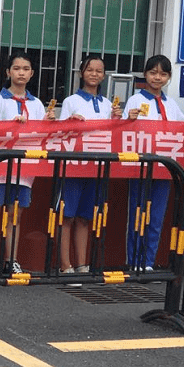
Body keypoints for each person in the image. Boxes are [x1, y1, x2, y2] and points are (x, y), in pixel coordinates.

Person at [0, 51, 52, 275]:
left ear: (31, 74)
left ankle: (11, 260)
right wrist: (11, 126)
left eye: (26, 69)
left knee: (15, 215)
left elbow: (43, 136)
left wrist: (48, 123)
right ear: (8, 72)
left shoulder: (38, 104)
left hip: (25, 169)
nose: (21, 73)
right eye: (17, 68)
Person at [58, 54, 123, 282]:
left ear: (104, 75)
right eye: (89, 70)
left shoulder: (108, 104)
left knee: (86, 217)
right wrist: (70, 123)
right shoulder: (71, 101)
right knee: (67, 215)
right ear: (81, 73)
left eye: (99, 71)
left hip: (97, 167)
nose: (94, 74)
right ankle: (65, 265)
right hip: (74, 166)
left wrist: (118, 120)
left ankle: (82, 264)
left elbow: (113, 135)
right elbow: (61, 133)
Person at [123, 55, 184, 272]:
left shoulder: (171, 104)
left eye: (162, 74)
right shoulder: (134, 100)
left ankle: (148, 261)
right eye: (153, 72)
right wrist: (128, 119)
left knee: (156, 217)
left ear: (168, 77)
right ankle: (134, 260)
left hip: (165, 168)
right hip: (140, 167)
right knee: (138, 214)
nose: (157, 77)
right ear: (145, 74)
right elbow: (122, 131)